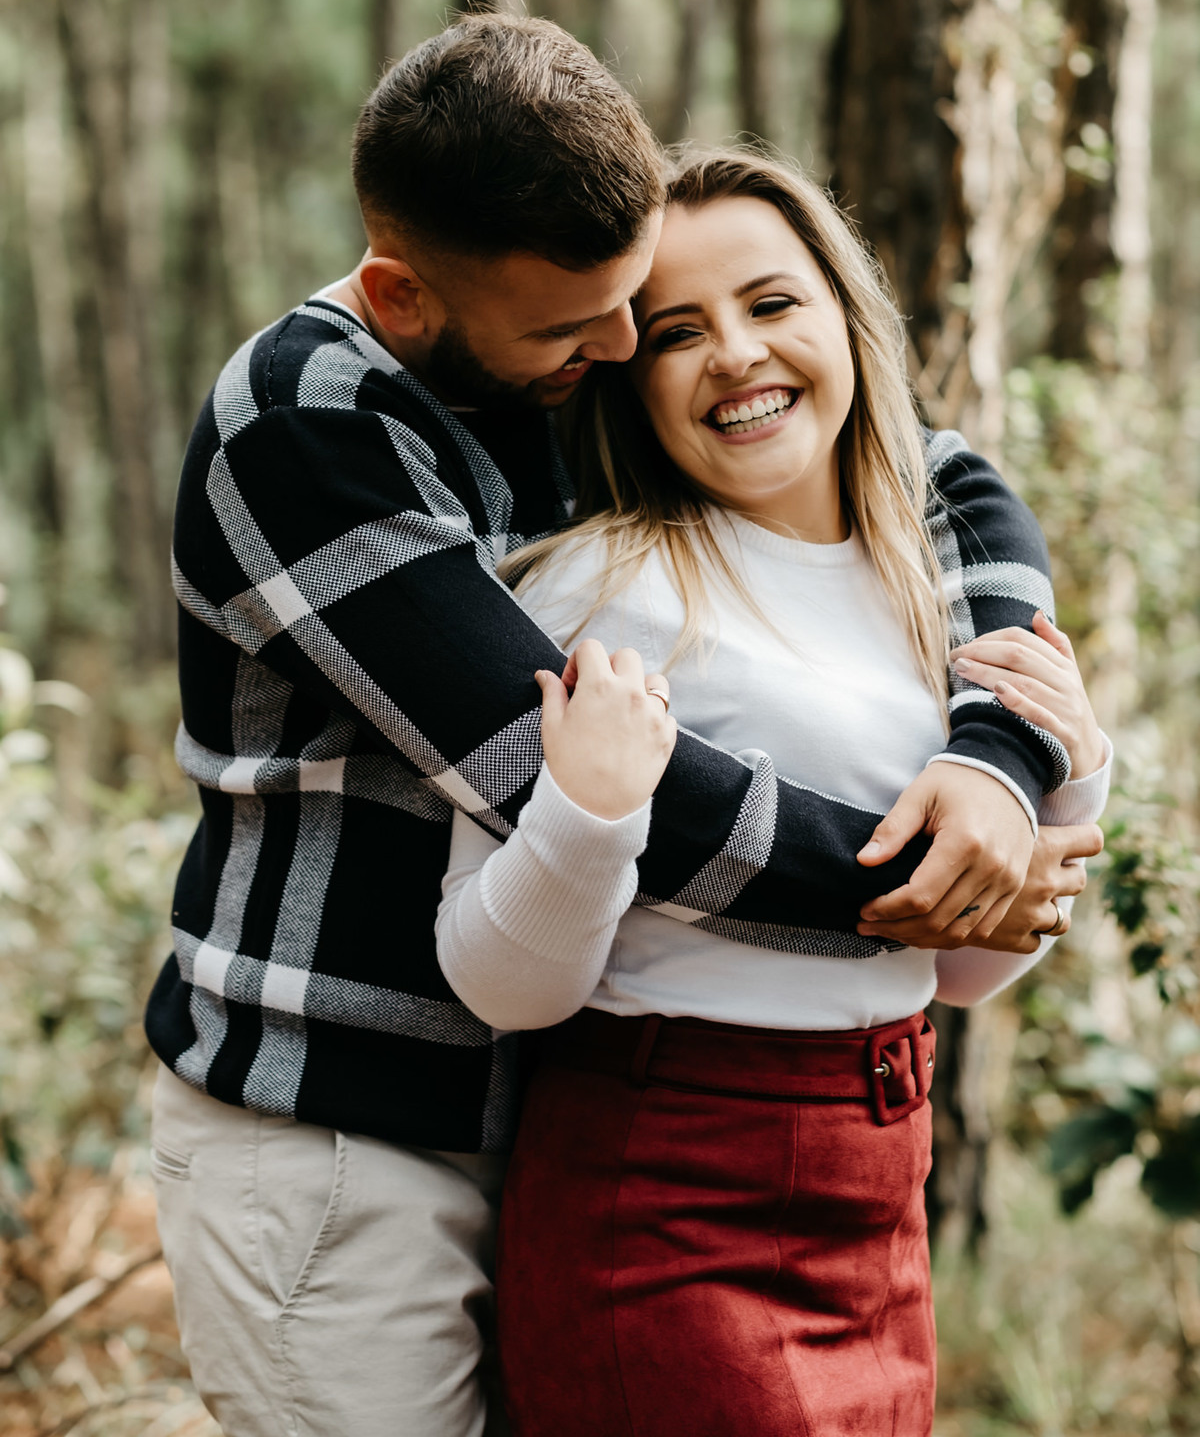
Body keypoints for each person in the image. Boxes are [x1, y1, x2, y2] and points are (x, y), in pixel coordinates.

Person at [147, 16, 1080, 1437]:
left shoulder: (549, 352)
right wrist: (934, 879)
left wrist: (1000, 761)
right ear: (402, 294)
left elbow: (935, 474)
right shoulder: (304, 429)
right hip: (342, 1125)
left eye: (635, 301)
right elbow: (566, 773)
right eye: (582, 327)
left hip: (547, 1106)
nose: (627, 345)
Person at [435, 148, 1110, 1436]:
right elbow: (497, 981)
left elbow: (959, 973)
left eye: (771, 302)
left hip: (881, 1189)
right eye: (678, 332)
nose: (736, 355)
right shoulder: (599, 590)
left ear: (846, 315)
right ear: (629, 378)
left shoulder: (931, 585)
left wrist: (1071, 776)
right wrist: (588, 814)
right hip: (667, 1197)